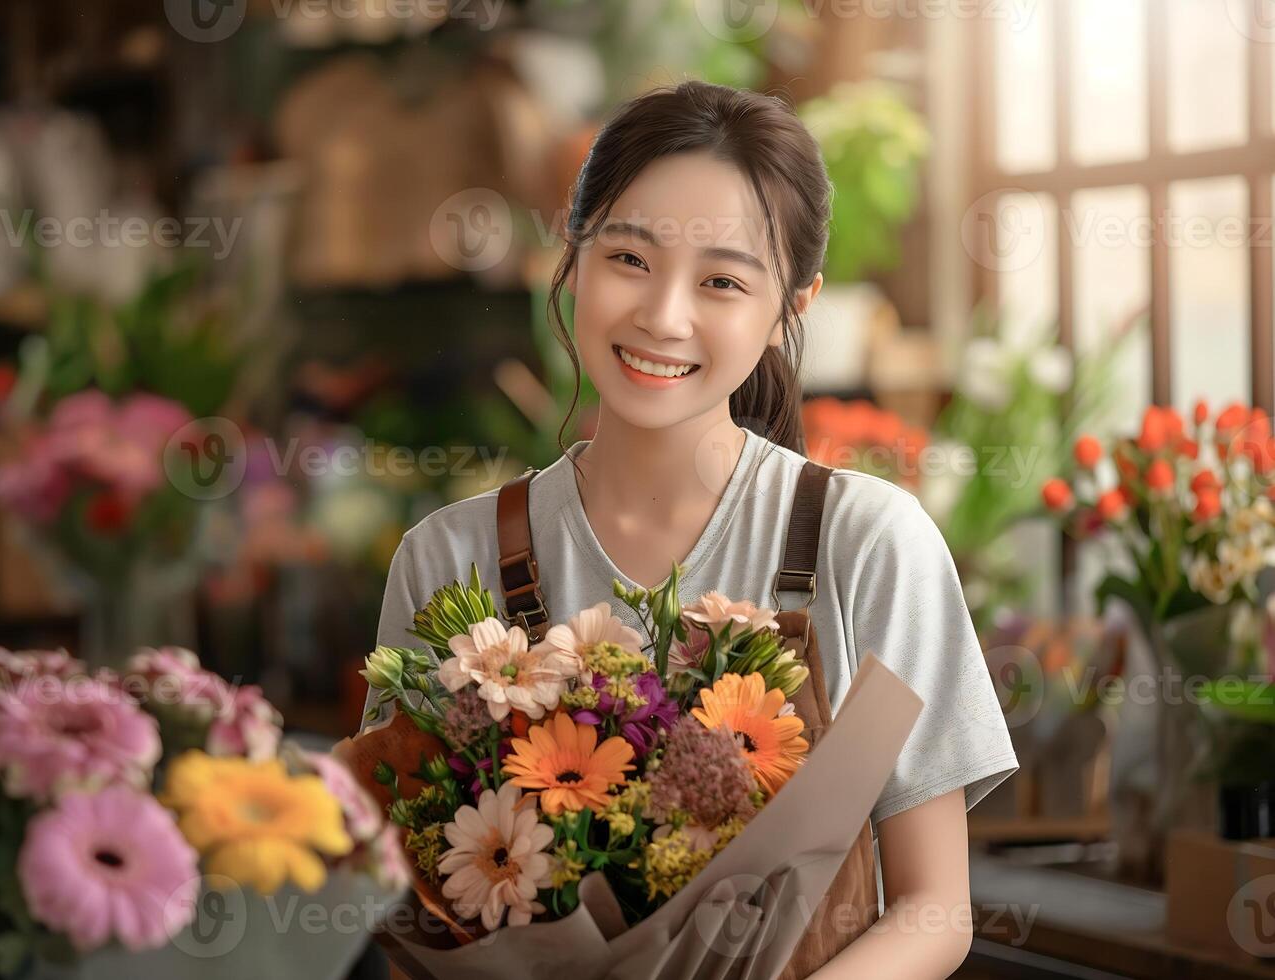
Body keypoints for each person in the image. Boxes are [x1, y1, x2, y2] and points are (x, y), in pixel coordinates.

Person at [362, 79, 1017, 979]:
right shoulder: (446, 557)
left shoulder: (868, 543)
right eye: (630, 259)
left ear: (794, 303)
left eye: (721, 280)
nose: (663, 317)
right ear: (575, 253)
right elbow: (411, 912)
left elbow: (934, 910)